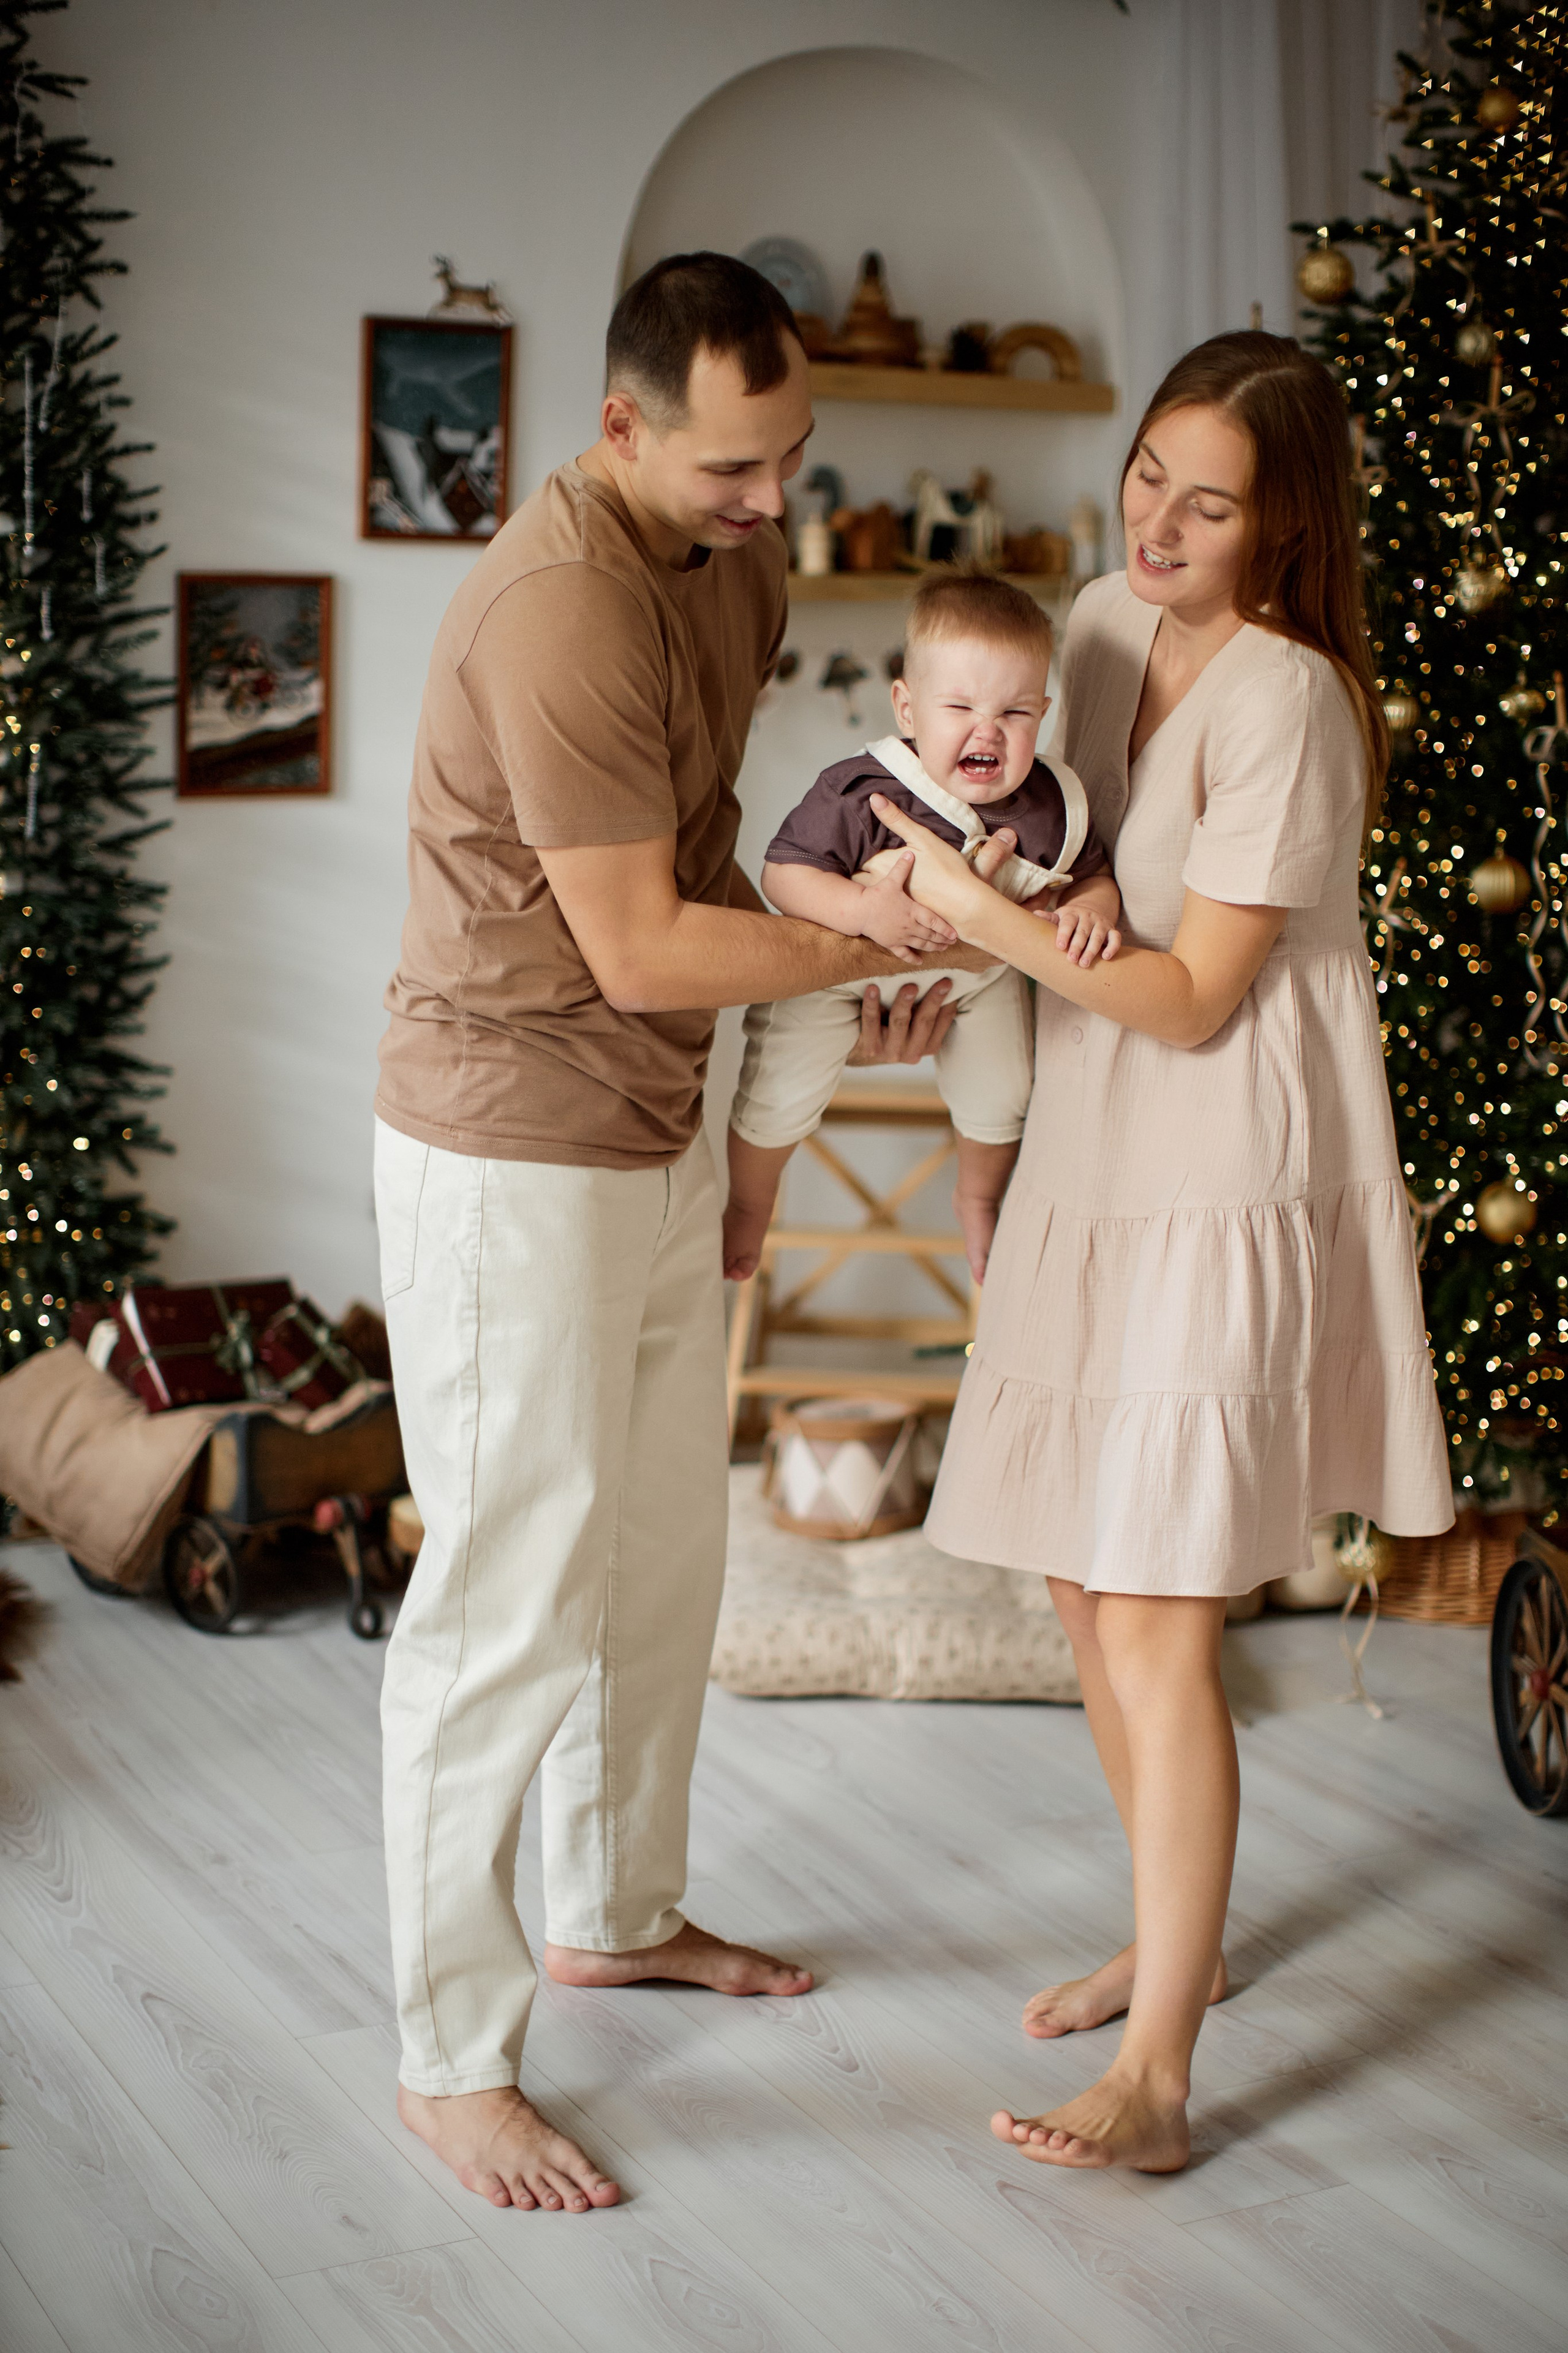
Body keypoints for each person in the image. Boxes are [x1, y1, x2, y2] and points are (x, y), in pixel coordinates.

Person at [372, 251, 986, 2216]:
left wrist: (758, 1130)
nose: (772, 500)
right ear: (622, 422)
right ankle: (448, 2055)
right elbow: (638, 942)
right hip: (506, 1150)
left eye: (793, 455)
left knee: (655, 1555)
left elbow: (724, 862)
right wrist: (878, 931)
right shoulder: (556, 607)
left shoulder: (741, 567)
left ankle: (614, 1909)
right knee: (506, 1592)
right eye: (735, 466)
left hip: (653, 1121)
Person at [869, 331, 1454, 2174]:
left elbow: (1202, 997)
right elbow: (1047, 842)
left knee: (1154, 1600)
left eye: (1207, 504)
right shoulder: (1100, 628)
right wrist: (988, 931)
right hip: (1094, 1124)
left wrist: (981, 910)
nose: (1158, 522)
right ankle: (1166, 1931)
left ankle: (1164, 2079)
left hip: (1219, 1142)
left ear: (1281, 530)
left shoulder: (1289, 694)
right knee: (1072, 1576)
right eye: (1145, 478)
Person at [722, 567, 1122, 1288]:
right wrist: (861, 912)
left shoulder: (1054, 805)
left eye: (1017, 714)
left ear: (1045, 714)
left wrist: (1091, 907)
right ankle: (750, 1203)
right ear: (906, 708)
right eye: (960, 706)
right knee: (777, 1084)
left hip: (976, 979)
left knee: (1005, 1091)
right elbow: (784, 874)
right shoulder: (861, 789)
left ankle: (977, 1197)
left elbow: (1091, 874)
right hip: (840, 972)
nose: (988, 730)